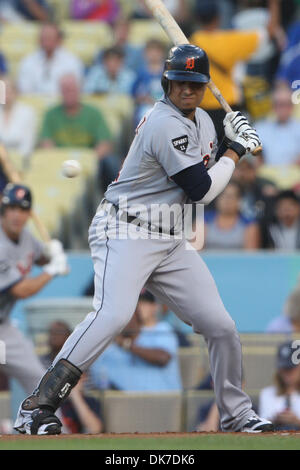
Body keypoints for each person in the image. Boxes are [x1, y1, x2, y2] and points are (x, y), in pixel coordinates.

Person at [14, 44, 274, 435]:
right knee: (114, 315)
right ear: (167, 81)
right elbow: (201, 189)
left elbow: (203, 171)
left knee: (220, 325)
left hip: (169, 239)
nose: (187, 89)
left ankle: (238, 415)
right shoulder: (161, 122)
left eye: (195, 83)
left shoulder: (203, 121)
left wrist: (228, 142)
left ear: (204, 86)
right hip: (126, 230)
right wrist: (235, 150)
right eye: (181, 81)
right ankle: (36, 409)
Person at [0, 183, 68, 398]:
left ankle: (47, 426)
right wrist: (52, 269)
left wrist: (52, 253)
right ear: (3, 210)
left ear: (29, 214)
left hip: (3, 328)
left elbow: (40, 256)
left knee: (37, 378)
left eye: (22, 209)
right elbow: (21, 290)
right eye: (12, 208)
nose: (16, 215)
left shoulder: (26, 237)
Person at [190, 0, 283, 141]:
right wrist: (274, 4)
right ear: (218, 17)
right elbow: (270, 32)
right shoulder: (229, 41)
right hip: (228, 110)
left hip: (199, 112)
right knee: (231, 157)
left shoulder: (188, 43)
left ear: (196, 18)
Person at [90, 291, 181, 391]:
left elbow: (163, 358)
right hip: (130, 403)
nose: (139, 307)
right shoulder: (110, 347)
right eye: (136, 304)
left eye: (143, 303)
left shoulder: (163, 329)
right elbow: (102, 383)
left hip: (165, 402)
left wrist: (126, 345)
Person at [40, 74, 118, 191]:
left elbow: (105, 144)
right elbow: (46, 145)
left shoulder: (93, 113)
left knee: (110, 162)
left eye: (72, 89)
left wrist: (88, 161)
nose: (69, 93)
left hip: (90, 161)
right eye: (65, 90)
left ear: (79, 90)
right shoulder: (51, 115)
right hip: (60, 162)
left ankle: (113, 198)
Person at [40, 321, 103, 434]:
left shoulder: (83, 364)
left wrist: (74, 394)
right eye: (52, 333)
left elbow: (95, 429)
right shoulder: (39, 363)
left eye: (59, 332)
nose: (54, 336)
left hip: (76, 405)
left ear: (69, 338)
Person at [18, 23, 84, 95]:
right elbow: (25, 90)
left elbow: (74, 90)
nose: (46, 42)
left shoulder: (72, 61)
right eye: (43, 38)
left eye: (50, 38)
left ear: (59, 40)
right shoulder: (28, 61)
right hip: (34, 103)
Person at [198, 181, 261, 250]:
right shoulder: (203, 220)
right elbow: (196, 252)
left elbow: (251, 256)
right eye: (223, 195)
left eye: (231, 196)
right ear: (217, 199)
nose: (227, 200)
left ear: (239, 200)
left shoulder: (250, 224)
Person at [259, 341, 300, 430]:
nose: (287, 373)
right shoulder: (267, 393)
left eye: (291, 368)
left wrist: (296, 421)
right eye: (283, 368)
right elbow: (260, 428)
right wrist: (275, 421)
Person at [254, 86, 300, 166]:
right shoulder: (261, 128)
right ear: (273, 107)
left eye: (286, 104)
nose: (283, 109)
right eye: (279, 104)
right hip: (266, 175)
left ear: (292, 107)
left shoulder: (298, 128)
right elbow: (256, 158)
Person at [0, 77, 38, 167]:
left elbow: (28, 145)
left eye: (8, 91)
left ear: (16, 92)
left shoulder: (28, 112)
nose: (6, 95)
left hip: (20, 163)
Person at [232, 154, 278, 222]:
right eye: (241, 168)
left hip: (261, 224)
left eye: (248, 168)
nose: (244, 173)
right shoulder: (229, 186)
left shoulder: (266, 184)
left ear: (255, 169)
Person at [131, 39, 166, 126]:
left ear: (162, 53)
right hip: (146, 106)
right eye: (150, 51)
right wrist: (143, 98)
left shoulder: (167, 72)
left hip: (165, 106)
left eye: (157, 51)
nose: (154, 54)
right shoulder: (141, 72)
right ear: (145, 54)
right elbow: (134, 93)